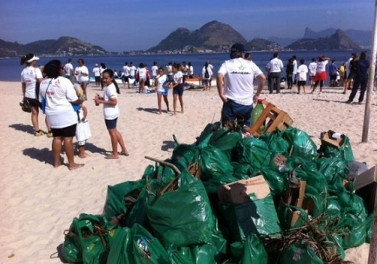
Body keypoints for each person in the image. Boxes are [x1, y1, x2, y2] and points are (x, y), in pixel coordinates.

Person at [39, 60, 84, 170]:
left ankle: (56, 162)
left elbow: (42, 99)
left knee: (56, 138)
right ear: (58, 70)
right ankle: (72, 164)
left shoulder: (43, 83)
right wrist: (81, 99)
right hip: (65, 114)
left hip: (52, 114)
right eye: (62, 67)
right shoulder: (64, 81)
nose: (63, 69)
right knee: (68, 139)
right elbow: (73, 100)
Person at [217, 43, 266, 128]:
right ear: (243, 53)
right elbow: (263, 78)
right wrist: (257, 94)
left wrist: (221, 94)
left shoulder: (227, 64)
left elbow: (219, 76)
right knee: (246, 131)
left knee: (227, 130)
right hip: (247, 103)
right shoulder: (250, 64)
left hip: (231, 102)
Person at [94, 69, 129, 159]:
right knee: (115, 131)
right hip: (114, 112)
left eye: (106, 78)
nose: (104, 80)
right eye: (103, 78)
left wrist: (100, 101)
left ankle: (115, 153)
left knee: (112, 133)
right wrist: (102, 98)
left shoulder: (110, 88)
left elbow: (114, 102)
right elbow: (109, 99)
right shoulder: (110, 86)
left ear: (111, 78)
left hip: (110, 113)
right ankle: (124, 149)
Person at [20, 53, 51, 137]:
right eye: (35, 60)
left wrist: (24, 96)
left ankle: (37, 131)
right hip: (38, 95)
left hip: (29, 95)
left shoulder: (23, 72)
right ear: (32, 61)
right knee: (47, 112)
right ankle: (50, 131)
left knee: (34, 113)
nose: (36, 61)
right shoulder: (36, 70)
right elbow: (41, 82)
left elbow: (23, 85)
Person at [73, 84, 91, 158]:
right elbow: (83, 98)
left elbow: (83, 98)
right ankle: (81, 153)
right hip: (78, 118)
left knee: (82, 135)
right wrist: (84, 89)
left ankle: (82, 151)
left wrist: (84, 89)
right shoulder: (75, 99)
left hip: (78, 117)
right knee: (81, 135)